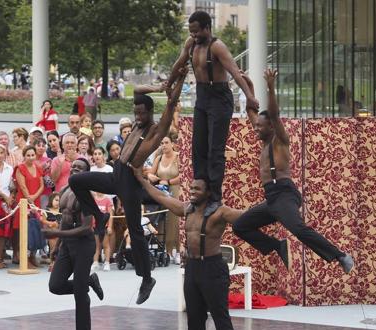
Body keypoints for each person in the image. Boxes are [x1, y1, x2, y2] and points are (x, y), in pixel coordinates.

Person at [68, 69, 187, 305]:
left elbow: (171, 104)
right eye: (136, 112)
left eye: (142, 113)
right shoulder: (136, 124)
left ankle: (147, 278)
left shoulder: (156, 129)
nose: (138, 116)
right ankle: (99, 217)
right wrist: (159, 87)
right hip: (117, 174)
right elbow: (139, 91)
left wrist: (179, 81)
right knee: (76, 180)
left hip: (131, 182)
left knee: (135, 230)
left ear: (150, 112)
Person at [232, 70, 354, 274]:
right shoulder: (263, 141)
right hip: (271, 199)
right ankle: (277, 246)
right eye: (256, 127)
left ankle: (340, 256)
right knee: (240, 226)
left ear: (271, 126)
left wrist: (270, 87)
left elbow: (274, 114)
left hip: (284, 193)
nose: (255, 129)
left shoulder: (280, 140)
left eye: (259, 127)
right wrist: (249, 87)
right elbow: (251, 109)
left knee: (298, 229)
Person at [135, 171, 243, 330]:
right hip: (192, 269)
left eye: (197, 189)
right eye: (191, 188)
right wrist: (141, 180)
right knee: (194, 323)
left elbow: (247, 217)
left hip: (213, 269)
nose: (192, 192)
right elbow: (162, 197)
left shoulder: (220, 212)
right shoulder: (187, 209)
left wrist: (275, 207)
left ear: (208, 192)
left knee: (222, 323)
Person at [166, 10, 259, 215]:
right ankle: (200, 195)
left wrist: (250, 97)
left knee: (214, 150)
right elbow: (178, 63)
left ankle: (215, 197)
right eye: (191, 32)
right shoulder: (191, 44)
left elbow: (235, 72)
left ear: (207, 28)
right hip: (202, 95)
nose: (194, 35)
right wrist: (168, 83)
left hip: (219, 97)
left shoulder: (217, 47)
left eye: (197, 31)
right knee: (197, 147)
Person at [44, 158, 104, 330]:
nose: (75, 170)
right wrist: (57, 244)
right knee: (55, 285)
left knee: (79, 292)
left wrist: (56, 234)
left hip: (83, 245)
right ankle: (88, 281)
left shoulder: (86, 197)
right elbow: (65, 220)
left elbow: (87, 228)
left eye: (80, 169)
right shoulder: (64, 191)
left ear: (86, 175)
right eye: (74, 168)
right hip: (68, 244)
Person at [147, 135, 180, 255]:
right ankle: (166, 250)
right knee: (162, 220)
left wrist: (169, 181)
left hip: (175, 192)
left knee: (175, 220)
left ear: (172, 144)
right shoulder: (159, 158)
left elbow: (183, 175)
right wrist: (152, 177)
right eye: (162, 143)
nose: (164, 145)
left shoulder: (178, 157)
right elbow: (150, 174)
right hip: (161, 192)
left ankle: (178, 250)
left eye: (166, 142)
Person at [13, 145, 44, 267]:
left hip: (35, 202)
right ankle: (23, 258)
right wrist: (29, 199)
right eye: (28, 155)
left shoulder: (39, 167)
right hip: (24, 202)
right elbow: (22, 186)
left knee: (35, 229)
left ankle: (32, 256)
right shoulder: (20, 168)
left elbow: (42, 185)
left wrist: (34, 197)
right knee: (24, 230)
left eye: (33, 155)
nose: (31, 157)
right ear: (24, 156)